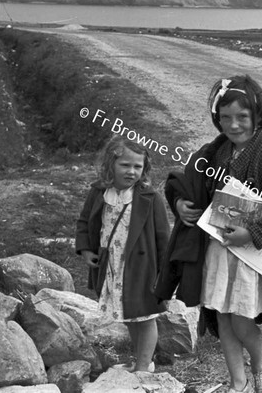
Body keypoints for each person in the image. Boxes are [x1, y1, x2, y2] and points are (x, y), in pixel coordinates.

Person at [155, 75, 262, 393]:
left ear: (258, 116)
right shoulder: (215, 153)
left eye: (242, 117)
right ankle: (239, 383)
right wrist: (180, 203)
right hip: (219, 250)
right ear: (217, 118)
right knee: (221, 317)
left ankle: (260, 366)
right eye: (226, 118)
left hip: (250, 256)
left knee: (240, 319)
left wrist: (250, 233)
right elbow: (186, 182)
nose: (234, 125)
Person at [76, 136, 169, 372]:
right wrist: (86, 249)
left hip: (142, 267)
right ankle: (142, 360)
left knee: (145, 316)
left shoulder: (150, 198)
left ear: (144, 169)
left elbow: (163, 237)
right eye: (125, 165)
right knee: (129, 315)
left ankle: (143, 366)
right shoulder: (99, 192)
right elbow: (85, 222)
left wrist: (165, 273)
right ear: (111, 164)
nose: (131, 171)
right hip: (112, 264)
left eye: (138, 166)